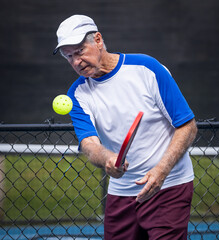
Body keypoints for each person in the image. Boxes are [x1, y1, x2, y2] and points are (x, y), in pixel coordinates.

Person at [54, 14, 198, 240]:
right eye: (68, 56)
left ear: (98, 40)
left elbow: (187, 127)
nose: (76, 62)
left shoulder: (147, 68)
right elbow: (89, 144)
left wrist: (161, 171)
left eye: (80, 51)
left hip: (168, 186)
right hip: (121, 193)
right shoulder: (77, 94)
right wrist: (107, 159)